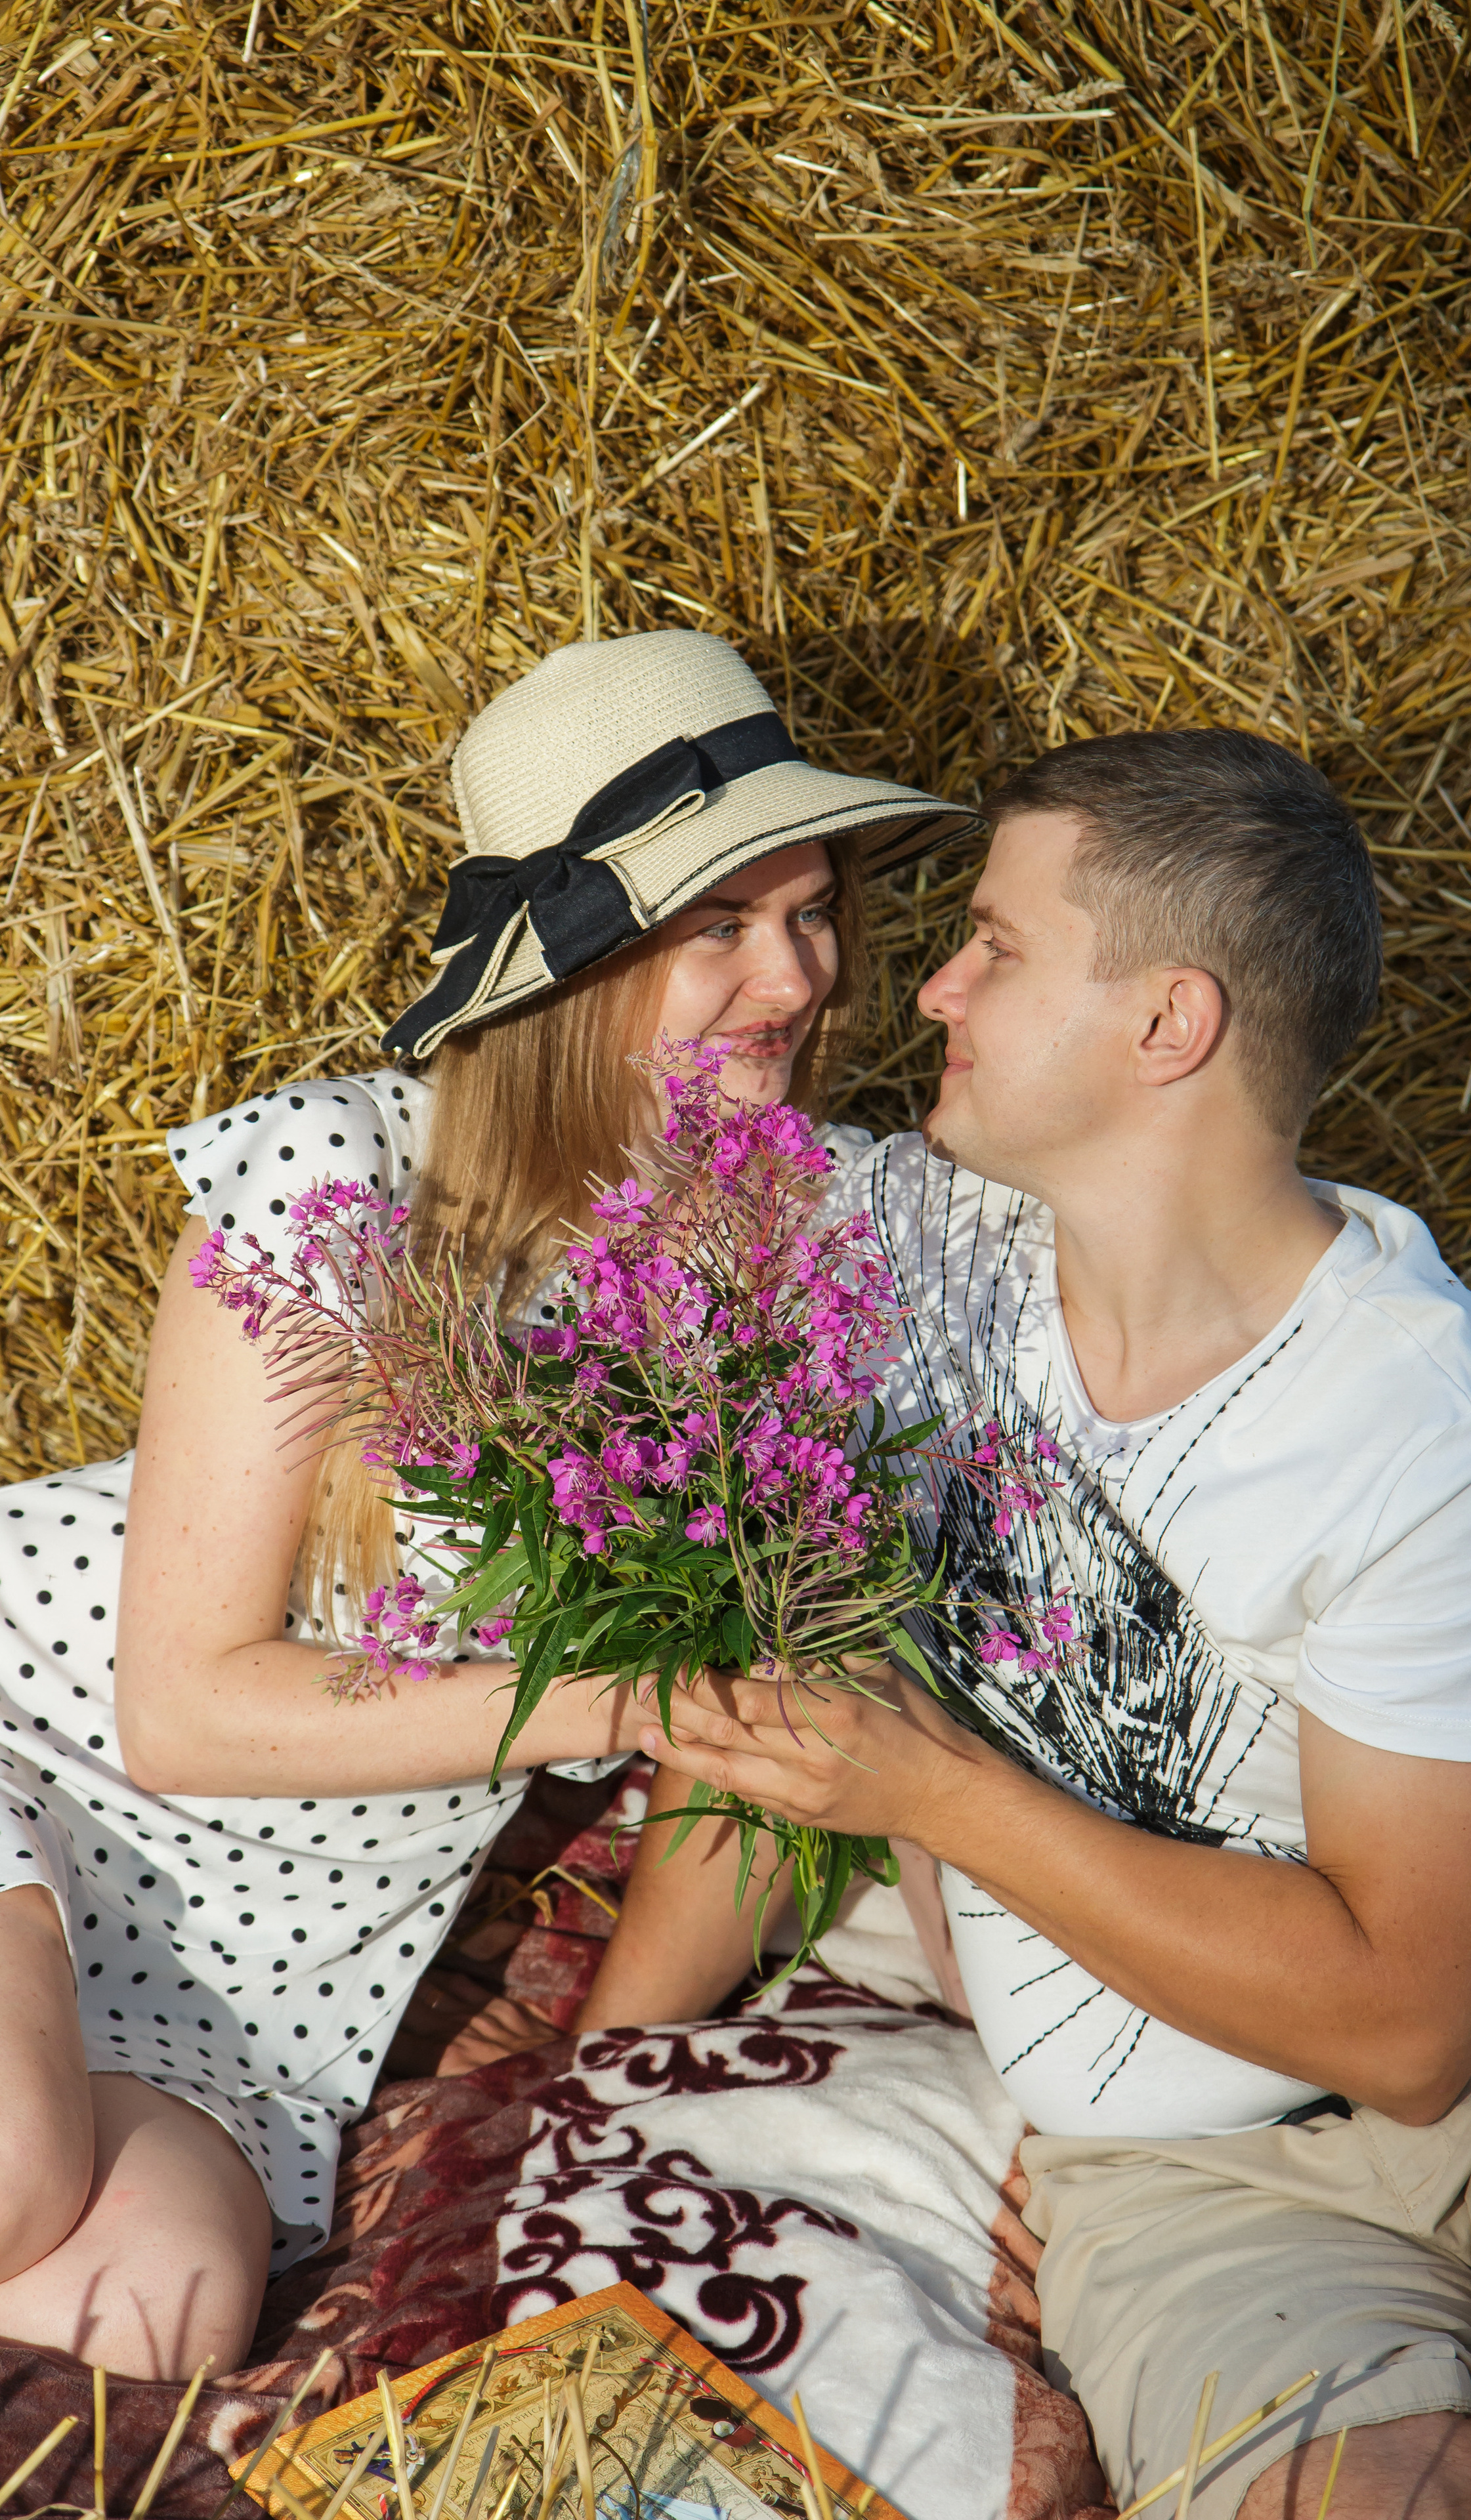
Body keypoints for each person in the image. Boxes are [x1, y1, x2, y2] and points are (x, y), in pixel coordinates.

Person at [587, 730, 1471, 2520]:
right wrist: (599, 2074)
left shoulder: (1434, 1420)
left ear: (1169, 1024)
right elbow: (590, 1146)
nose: (920, 981)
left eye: (997, 945)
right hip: (1177, 2178)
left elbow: (1412, 2024)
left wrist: (937, 1796)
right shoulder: (911, 1263)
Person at [0, 627, 977, 2380]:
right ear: (573, 974)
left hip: (277, 1982)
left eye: (813, 913)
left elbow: (754, 1733)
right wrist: (632, 1700)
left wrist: (604, 2085)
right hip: (43, 1749)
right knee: (11, 2174)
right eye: (719, 928)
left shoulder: (827, 1253)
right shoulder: (342, 1183)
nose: (796, 978)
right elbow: (183, 1707)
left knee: (135, 2327)